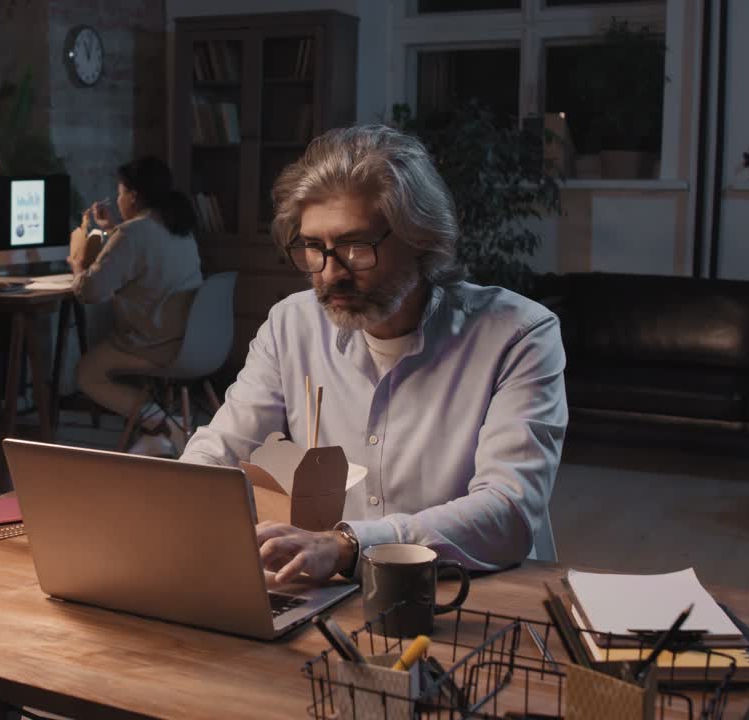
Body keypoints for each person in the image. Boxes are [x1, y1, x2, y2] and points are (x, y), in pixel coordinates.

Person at [179, 124, 567, 583]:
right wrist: (181, 497)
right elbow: (224, 448)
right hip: (331, 589)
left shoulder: (518, 334)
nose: (330, 273)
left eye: (355, 247)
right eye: (313, 249)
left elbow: (508, 511)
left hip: (472, 588)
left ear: (420, 238)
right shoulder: (292, 324)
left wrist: (348, 545)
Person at [69, 156, 203, 456]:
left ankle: (160, 424)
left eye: (119, 193)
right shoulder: (177, 227)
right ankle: (160, 425)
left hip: (156, 344)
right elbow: (143, 250)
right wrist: (113, 228)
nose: (117, 200)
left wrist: (78, 263)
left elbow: (91, 292)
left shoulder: (132, 234)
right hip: (196, 341)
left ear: (133, 195)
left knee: (87, 372)